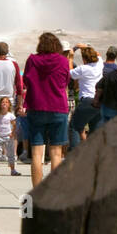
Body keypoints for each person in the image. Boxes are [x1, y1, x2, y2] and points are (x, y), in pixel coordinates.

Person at [23, 32, 72, 189]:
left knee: (37, 153)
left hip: (37, 107)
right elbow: (66, 82)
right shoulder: (63, 61)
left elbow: (26, 81)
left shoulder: (32, 60)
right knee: (56, 153)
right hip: (58, 108)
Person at [69, 44, 103, 140]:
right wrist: (85, 46)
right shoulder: (99, 64)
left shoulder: (83, 69)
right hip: (99, 99)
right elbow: (98, 54)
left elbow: (70, 73)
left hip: (87, 101)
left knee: (75, 126)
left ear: (84, 59)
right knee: (95, 128)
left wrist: (71, 58)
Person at [0, 96, 19, 176]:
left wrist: (12, 133)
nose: (4, 104)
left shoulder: (10, 115)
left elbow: (14, 125)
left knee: (10, 153)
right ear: (0, 104)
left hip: (8, 136)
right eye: (3, 102)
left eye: (6, 102)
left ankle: (13, 170)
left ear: (9, 104)